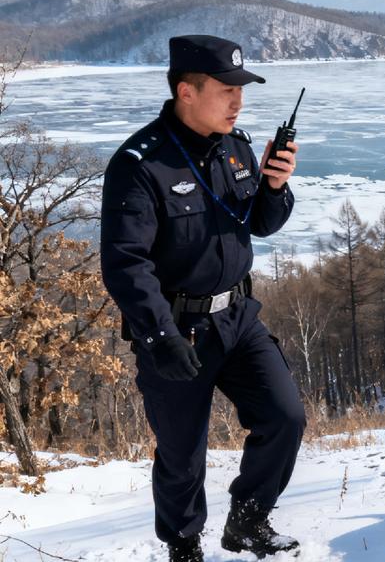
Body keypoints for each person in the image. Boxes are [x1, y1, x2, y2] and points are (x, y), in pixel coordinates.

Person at [100, 35, 305, 561]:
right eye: (226, 90)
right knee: (182, 454)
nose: (239, 101)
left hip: (238, 318)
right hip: (177, 328)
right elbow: (125, 263)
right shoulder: (140, 164)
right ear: (186, 92)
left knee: (284, 417)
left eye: (242, 90)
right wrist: (159, 336)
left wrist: (276, 188)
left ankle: (248, 521)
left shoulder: (236, 148)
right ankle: (185, 546)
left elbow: (258, 223)